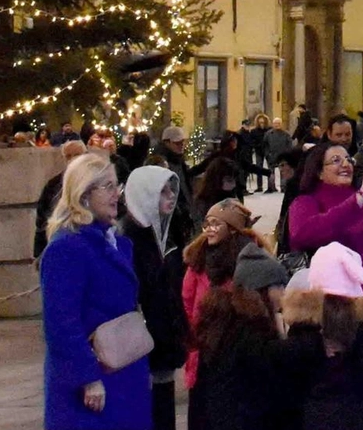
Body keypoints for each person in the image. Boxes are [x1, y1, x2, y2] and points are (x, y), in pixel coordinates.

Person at [40, 154, 151, 430]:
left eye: (117, 186)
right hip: (93, 383)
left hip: (123, 372)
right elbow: (61, 323)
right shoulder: (67, 247)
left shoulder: (110, 241)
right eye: (109, 187)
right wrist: (86, 377)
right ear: (84, 193)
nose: (117, 195)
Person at [288, 143, 363, 356]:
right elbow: (304, 234)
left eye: (348, 159)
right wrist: (359, 197)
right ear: (318, 171)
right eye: (336, 160)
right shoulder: (305, 203)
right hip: (331, 307)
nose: (345, 164)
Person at [188, 246, 318, 430]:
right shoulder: (248, 328)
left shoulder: (231, 323)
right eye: (278, 286)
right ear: (262, 289)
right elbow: (275, 362)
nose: (283, 292)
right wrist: (309, 333)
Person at [284, 243, 363, 430]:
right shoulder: (360, 324)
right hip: (355, 414)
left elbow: (291, 376)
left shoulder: (302, 323)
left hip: (311, 415)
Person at [118, 166, 187, 430]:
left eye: (172, 191)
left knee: (163, 409)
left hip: (162, 339)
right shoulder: (129, 237)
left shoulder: (162, 230)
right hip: (144, 342)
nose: (170, 197)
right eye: (162, 192)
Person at [182, 199, 267, 392]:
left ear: (233, 229)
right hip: (204, 347)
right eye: (207, 223)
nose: (209, 229)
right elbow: (187, 303)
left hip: (236, 348)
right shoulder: (197, 259)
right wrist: (194, 338)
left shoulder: (249, 260)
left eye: (216, 224)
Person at [32, 141, 88, 258]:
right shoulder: (53, 185)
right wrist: (39, 254)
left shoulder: (95, 182)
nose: (72, 159)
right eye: (68, 156)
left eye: (77, 155)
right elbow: (42, 219)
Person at [192, 158, 242, 230]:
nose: (234, 184)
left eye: (235, 180)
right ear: (217, 180)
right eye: (229, 180)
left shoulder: (231, 196)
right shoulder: (203, 203)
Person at [263, 119, 294, 192]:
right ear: (273, 124)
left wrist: (287, 154)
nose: (277, 125)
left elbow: (289, 145)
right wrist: (267, 154)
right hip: (271, 156)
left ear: (281, 124)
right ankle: (271, 187)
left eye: (278, 123)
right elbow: (265, 145)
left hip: (282, 156)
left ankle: (283, 187)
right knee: (270, 172)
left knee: (283, 172)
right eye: (275, 123)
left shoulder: (286, 134)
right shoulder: (268, 134)